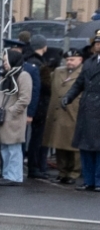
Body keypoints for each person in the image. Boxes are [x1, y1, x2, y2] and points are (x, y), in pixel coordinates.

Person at [0, 48, 33, 186]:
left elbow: (25, 99)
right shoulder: (5, 75)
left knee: (13, 148)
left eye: (6, 60)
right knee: (5, 147)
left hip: (14, 119)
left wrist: (11, 111)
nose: (4, 63)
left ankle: (14, 176)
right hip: (2, 117)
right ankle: (7, 174)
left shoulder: (23, 75)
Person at [62, 38, 100, 189]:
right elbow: (79, 83)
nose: (98, 46)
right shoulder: (90, 62)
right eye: (96, 43)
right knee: (85, 147)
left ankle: (98, 181)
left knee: (98, 148)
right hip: (86, 108)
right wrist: (68, 97)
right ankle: (89, 181)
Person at [44, 50, 83, 185]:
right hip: (58, 113)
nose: (69, 62)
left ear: (80, 60)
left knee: (74, 147)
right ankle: (62, 171)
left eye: (72, 59)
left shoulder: (84, 72)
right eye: (67, 60)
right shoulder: (58, 72)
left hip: (74, 113)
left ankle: (74, 172)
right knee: (59, 144)